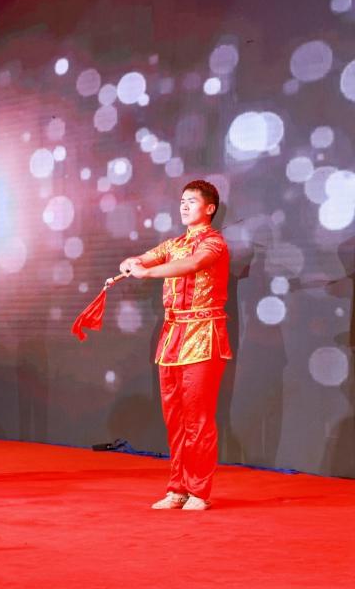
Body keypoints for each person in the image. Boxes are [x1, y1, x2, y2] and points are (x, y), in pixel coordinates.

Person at [119, 180, 232, 511]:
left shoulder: (214, 244)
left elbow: (192, 265)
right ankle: (177, 488)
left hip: (202, 334)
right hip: (173, 336)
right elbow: (144, 257)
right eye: (182, 200)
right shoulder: (173, 244)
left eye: (192, 201)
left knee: (198, 417)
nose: (184, 206)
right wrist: (132, 263)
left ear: (209, 208)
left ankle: (199, 491)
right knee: (175, 418)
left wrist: (146, 273)